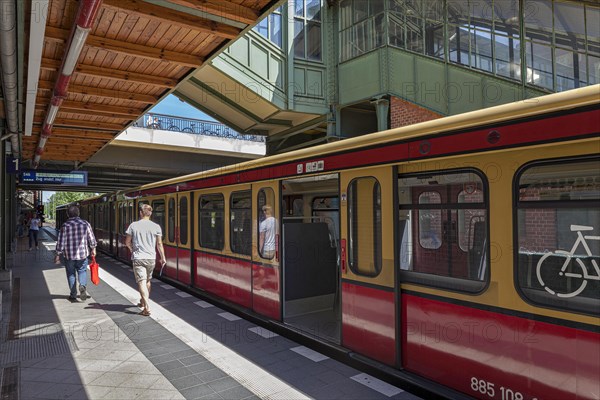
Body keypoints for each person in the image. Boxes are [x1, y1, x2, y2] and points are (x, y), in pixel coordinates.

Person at [125, 204, 166, 316]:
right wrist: (163, 258)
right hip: (151, 258)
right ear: (150, 213)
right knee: (147, 281)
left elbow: (127, 242)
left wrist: (132, 249)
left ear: (140, 213)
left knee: (141, 282)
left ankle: (146, 307)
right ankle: (143, 301)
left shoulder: (133, 225)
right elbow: (159, 244)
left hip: (138, 258)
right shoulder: (156, 226)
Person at [54, 205, 97, 302]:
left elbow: (61, 242)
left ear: (68, 214)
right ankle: (82, 285)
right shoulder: (85, 224)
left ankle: (73, 295)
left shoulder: (65, 226)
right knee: (82, 271)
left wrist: (57, 255)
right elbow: (91, 238)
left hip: (69, 256)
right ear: (79, 213)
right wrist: (93, 249)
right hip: (82, 255)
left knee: (71, 274)